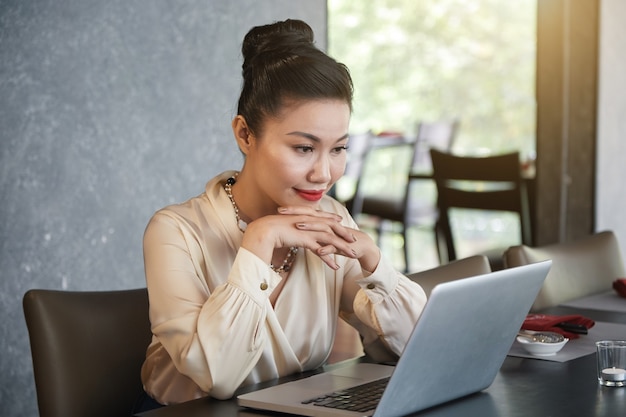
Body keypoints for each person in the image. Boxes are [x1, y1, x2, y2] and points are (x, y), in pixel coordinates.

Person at [136, 18, 427, 411]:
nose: (324, 174)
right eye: (304, 148)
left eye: (338, 149)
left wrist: (376, 264)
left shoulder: (330, 217)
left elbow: (413, 351)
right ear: (245, 135)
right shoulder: (175, 231)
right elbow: (217, 377)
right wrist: (259, 241)